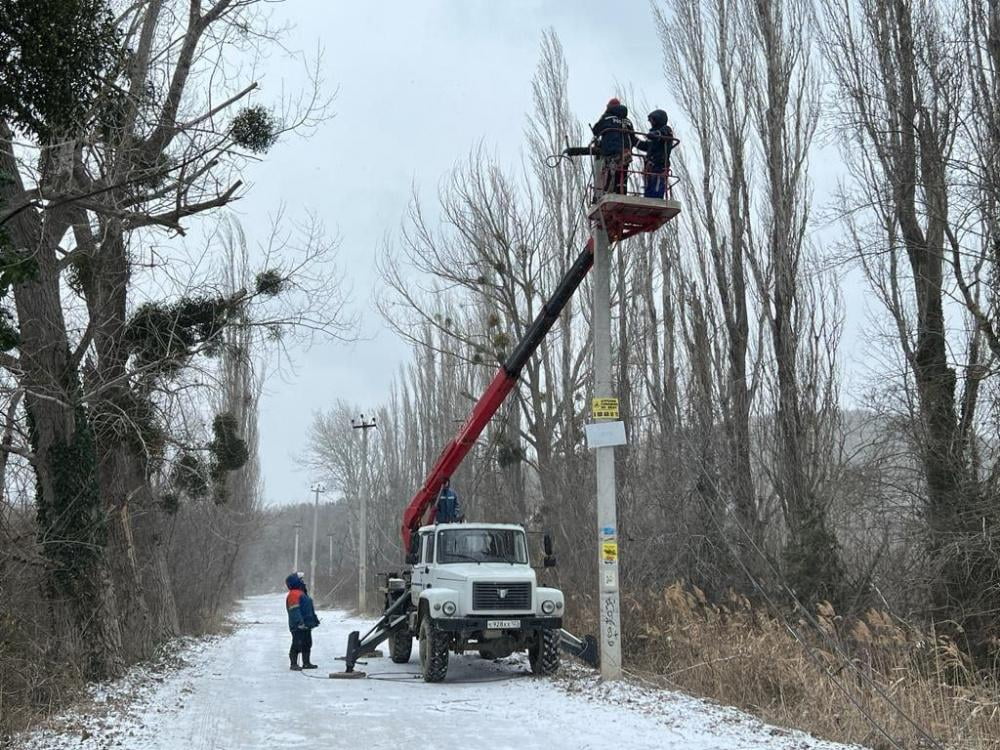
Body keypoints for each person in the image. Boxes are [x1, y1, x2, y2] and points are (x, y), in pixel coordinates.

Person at [591, 98, 637, 196]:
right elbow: (633, 139)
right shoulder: (628, 121)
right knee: (623, 173)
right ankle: (622, 192)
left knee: (610, 172)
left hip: (612, 152)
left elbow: (595, 130)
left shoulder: (607, 118)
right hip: (626, 152)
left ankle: (607, 192)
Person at [635, 109, 676, 199]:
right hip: (650, 168)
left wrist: (655, 134)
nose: (651, 123)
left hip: (659, 166)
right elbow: (646, 146)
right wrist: (634, 140)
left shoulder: (666, 130)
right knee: (649, 192)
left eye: (652, 120)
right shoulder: (653, 138)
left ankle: (656, 199)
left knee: (656, 192)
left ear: (658, 120)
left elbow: (663, 134)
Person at [285, 571, 320, 671]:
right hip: (298, 626)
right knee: (297, 643)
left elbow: (308, 609)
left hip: (306, 625)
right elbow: (294, 610)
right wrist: (299, 622)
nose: (303, 582)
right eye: (301, 580)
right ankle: (294, 664)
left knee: (307, 643)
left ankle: (306, 663)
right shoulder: (293, 594)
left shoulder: (302, 593)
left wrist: (314, 619)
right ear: (295, 582)